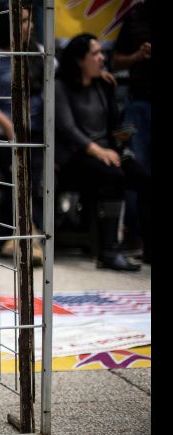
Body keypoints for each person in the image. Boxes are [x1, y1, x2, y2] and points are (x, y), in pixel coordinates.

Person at [55, 33, 150, 271]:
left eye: (101, 53)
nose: (102, 58)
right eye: (95, 53)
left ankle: (147, 247)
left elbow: (114, 126)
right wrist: (99, 151)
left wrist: (122, 139)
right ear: (79, 60)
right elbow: (68, 129)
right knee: (113, 176)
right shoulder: (60, 86)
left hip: (106, 152)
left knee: (144, 177)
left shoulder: (103, 84)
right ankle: (109, 250)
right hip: (75, 158)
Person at [0, 0, 45, 265]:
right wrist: (8, 126)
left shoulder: (40, 54)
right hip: (0, 136)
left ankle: (28, 240)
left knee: (34, 188)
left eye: (29, 20)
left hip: (36, 136)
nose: (28, 26)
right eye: (22, 21)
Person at [111, 0, 152, 261]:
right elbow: (114, 60)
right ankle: (135, 235)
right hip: (141, 102)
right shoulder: (136, 17)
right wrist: (138, 56)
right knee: (139, 170)